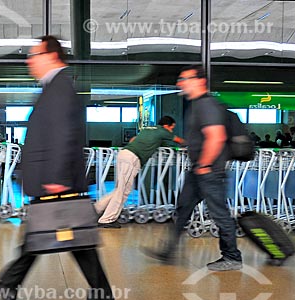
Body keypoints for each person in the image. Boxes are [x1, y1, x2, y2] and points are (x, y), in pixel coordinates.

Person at [0, 36, 115, 300]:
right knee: (67, 239)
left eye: (34, 55)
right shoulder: (55, 87)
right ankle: (101, 297)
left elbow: (64, 135)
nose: (30, 61)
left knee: (50, 238)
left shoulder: (60, 88)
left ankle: (7, 287)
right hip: (54, 180)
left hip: (56, 181)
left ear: (51, 55)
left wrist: (57, 176)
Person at [144, 65, 242, 271]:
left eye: (185, 79)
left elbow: (216, 137)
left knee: (219, 213)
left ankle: (232, 257)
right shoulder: (197, 105)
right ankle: (168, 250)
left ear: (200, 81)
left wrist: (205, 164)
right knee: (183, 208)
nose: (180, 83)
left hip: (209, 171)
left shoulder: (207, 105)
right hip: (198, 170)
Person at [95, 116, 185, 228]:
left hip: (125, 154)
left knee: (121, 189)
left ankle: (97, 209)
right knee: (122, 191)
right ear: (167, 126)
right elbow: (179, 140)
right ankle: (107, 219)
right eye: (172, 127)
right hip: (132, 158)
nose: (172, 130)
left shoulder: (148, 129)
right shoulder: (163, 131)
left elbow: (133, 139)